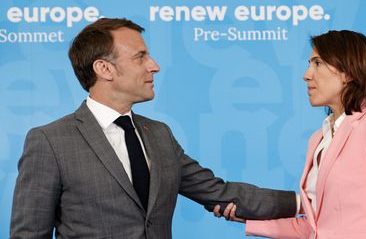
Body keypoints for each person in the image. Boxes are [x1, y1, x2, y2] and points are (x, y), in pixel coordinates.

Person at [9, 18, 299, 239]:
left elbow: (219, 193)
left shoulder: (159, 134)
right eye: (140, 57)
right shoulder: (50, 141)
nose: (155, 66)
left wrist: (304, 201)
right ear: (104, 69)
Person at [214, 30, 366, 239]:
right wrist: (250, 221)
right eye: (309, 63)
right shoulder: (318, 139)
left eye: (317, 63)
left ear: (348, 72)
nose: (307, 74)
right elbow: (314, 228)